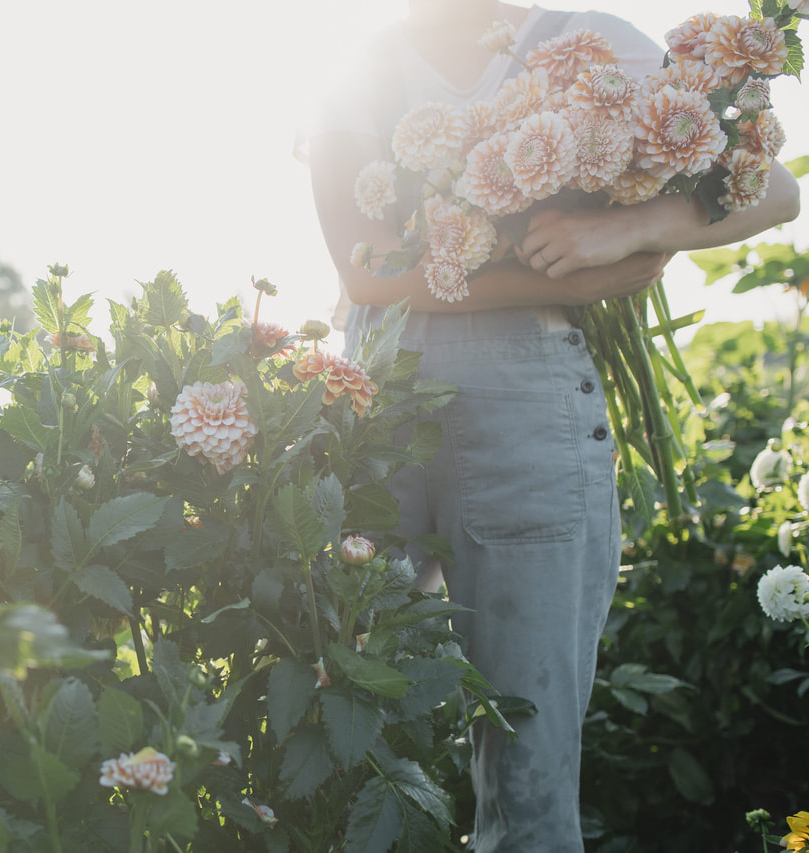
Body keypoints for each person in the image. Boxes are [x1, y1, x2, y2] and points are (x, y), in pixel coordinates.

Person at [301, 2, 801, 851]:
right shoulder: (357, 66)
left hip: (529, 424)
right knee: (335, 733)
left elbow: (776, 189)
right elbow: (365, 268)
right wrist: (565, 286)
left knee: (527, 786)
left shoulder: (582, 41)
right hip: (371, 421)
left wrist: (625, 228)